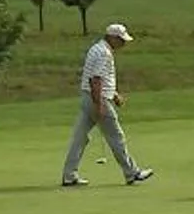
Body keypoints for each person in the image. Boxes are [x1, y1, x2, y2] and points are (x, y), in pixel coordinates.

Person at [61, 21, 154, 188]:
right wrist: (99, 105)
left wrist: (114, 94)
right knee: (116, 137)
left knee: (80, 138)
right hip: (97, 98)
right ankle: (132, 173)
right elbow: (95, 80)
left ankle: (69, 175)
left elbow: (101, 78)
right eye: (121, 40)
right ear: (112, 38)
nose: (124, 43)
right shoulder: (103, 53)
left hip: (88, 98)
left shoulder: (97, 49)